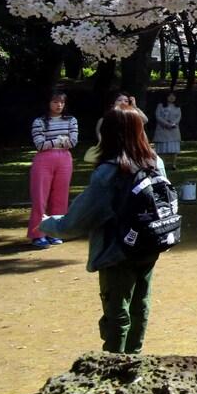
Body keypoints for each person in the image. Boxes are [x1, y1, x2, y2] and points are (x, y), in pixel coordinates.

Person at [39, 106, 167, 354]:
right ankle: (134, 361)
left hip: (116, 249)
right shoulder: (155, 162)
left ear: (108, 134)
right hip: (149, 244)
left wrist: (48, 223)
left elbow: (78, 220)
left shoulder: (110, 171)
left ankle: (114, 366)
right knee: (140, 304)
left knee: (117, 311)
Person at [28, 91, 78, 249]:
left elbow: (73, 141)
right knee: (40, 197)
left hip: (64, 159)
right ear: (48, 103)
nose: (59, 105)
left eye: (62, 102)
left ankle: (55, 232)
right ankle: (38, 234)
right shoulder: (39, 122)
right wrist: (58, 141)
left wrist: (56, 142)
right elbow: (40, 144)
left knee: (60, 197)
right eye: (55, 102)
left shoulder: (71, 120)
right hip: (44, 160)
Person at [153, 92, 182, 171]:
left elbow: (179, 117)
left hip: (174, 130)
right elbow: (158, 116)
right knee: (162, 149)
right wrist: (166, 124)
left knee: (174, 149)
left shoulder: (177, 107)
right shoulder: (160, 106)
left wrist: (174, 123)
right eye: (170, 96)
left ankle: (174, 164)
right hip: (162, 130)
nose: (172, 98)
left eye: (173, 96)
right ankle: (162, 164)